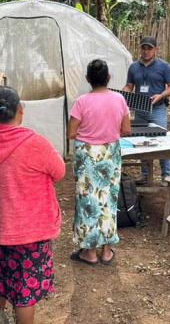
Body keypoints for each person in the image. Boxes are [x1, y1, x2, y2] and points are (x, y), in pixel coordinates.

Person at [0, 86, 65, 324]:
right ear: (20, 110)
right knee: (24, 294)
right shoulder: (35, 143)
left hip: (0, 226)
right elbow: (59, 171)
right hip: (30, 231)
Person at [67, 59, 131, 265]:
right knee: (108, 200)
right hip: (110, 153)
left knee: (88, 201)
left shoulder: (82, 102)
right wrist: (109, 131)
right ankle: (106, 250)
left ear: (88, 79)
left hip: (87, 155)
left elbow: (71, 133)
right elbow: (127, 130)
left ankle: (89, 252)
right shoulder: (119, 99)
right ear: (109, 78)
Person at [122, 36, 170, 185]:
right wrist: (124, 92)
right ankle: (146, 176)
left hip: (157, 109)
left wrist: (162, 95)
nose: (146, 51)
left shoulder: (164, 66)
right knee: (142, 141)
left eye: (149, 48)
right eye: (143, 48)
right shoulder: (134, 67)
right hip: (140, 109)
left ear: (155, 50)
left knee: (162, 141)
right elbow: (129, 85)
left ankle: (167, 176)